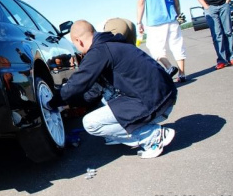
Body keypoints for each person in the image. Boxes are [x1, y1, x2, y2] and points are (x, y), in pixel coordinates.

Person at [47, 20, 177, 158]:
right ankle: (121, 133)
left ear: (79, 41)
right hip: (164, 95)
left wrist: (52, 103)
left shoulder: (98, 52)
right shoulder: (112, 44)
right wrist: (69, 104)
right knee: (105, 97)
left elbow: (77, 83)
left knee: (91, 124)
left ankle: (152, 137)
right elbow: (94, 92)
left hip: (156, 104)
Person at [136, 0, 187, 83]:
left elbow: (141, 2)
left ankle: (169, 67)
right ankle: (182, 74)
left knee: (154, 47)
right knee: (177, 45)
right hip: (172, 17)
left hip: (155, 21)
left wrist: (139, 22)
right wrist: (178, 13)